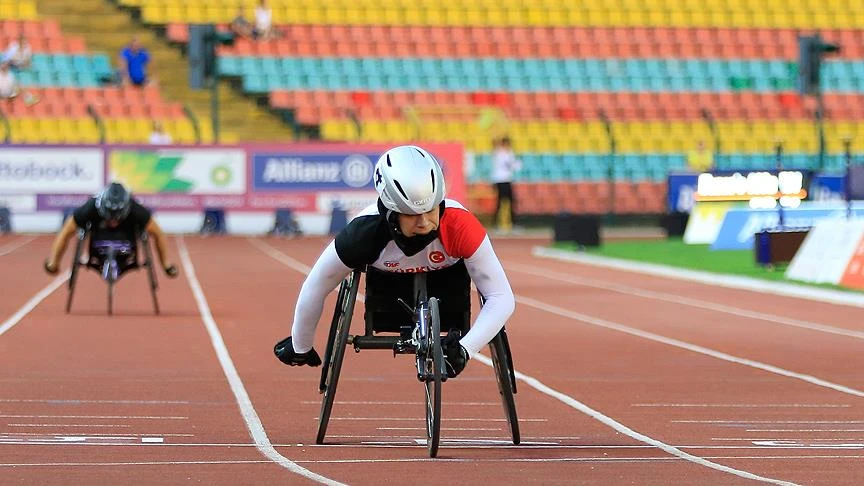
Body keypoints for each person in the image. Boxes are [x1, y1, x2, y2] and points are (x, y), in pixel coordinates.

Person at [273, 145, 516, 378]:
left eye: (430, 210)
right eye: (411, 214)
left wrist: (465, 349)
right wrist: (300, 346)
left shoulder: (460, 225)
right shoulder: (363, 234)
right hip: (386, 292)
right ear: (390, 210)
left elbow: (501, 297)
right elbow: (316, 286)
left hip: (449, 288)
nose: (423, 222)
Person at [44, 182, 179, 279]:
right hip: (98, 246)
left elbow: (158, 234)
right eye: (110, 216)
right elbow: (66, 232)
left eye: (117, 217)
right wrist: (54, 263)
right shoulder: (91, 207)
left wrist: (165, 265)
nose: (113, 221)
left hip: (127, 246)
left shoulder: (136, 209)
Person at [490, 136, 522, 232]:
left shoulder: (507, 153)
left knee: (510, 202)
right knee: (500, 202)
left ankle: (512, 224)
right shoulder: (500, 153)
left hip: (507, 179)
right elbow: (511, 165)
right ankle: (497, 224)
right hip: (500, 180)